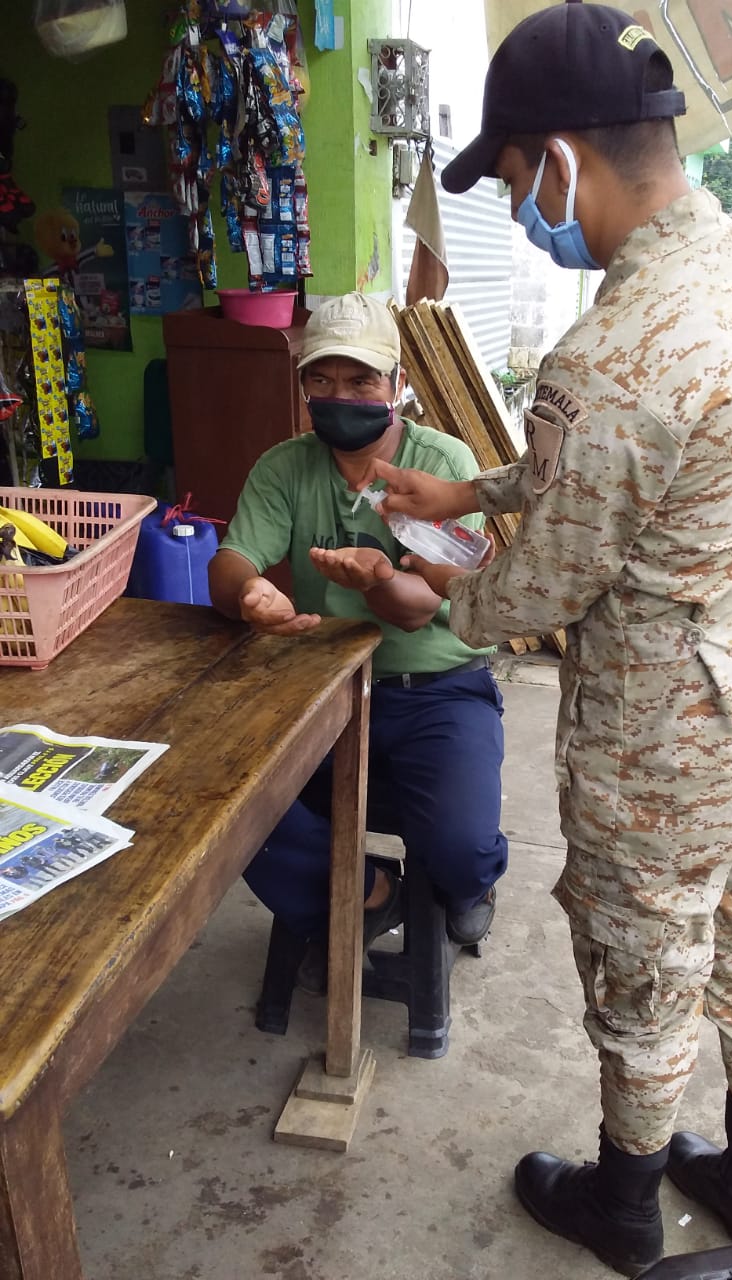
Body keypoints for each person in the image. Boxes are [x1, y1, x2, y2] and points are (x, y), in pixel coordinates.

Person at [359, 4, 732, 1275]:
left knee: (647, 967)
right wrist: (471, 489)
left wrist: (434, 594)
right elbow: (663, 471)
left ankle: (624, 1201)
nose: (523, 210)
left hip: (665, 741)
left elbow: (538, 588)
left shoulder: (611, 353)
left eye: (518, 179)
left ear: (563, 160)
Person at [208, 292, 507, 990]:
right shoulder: (285, 467)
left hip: (439, 690)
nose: (339, 396)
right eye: (321, 379)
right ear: (303, 385)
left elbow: (421, 609)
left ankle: (470, 885)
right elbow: (231, 561)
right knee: (231, 806)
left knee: (460, 848)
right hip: (326, 684)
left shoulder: (439, 463)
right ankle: (372, 891)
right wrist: (248, 594)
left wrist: (378, 581)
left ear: (396, 383)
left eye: (361, 379)